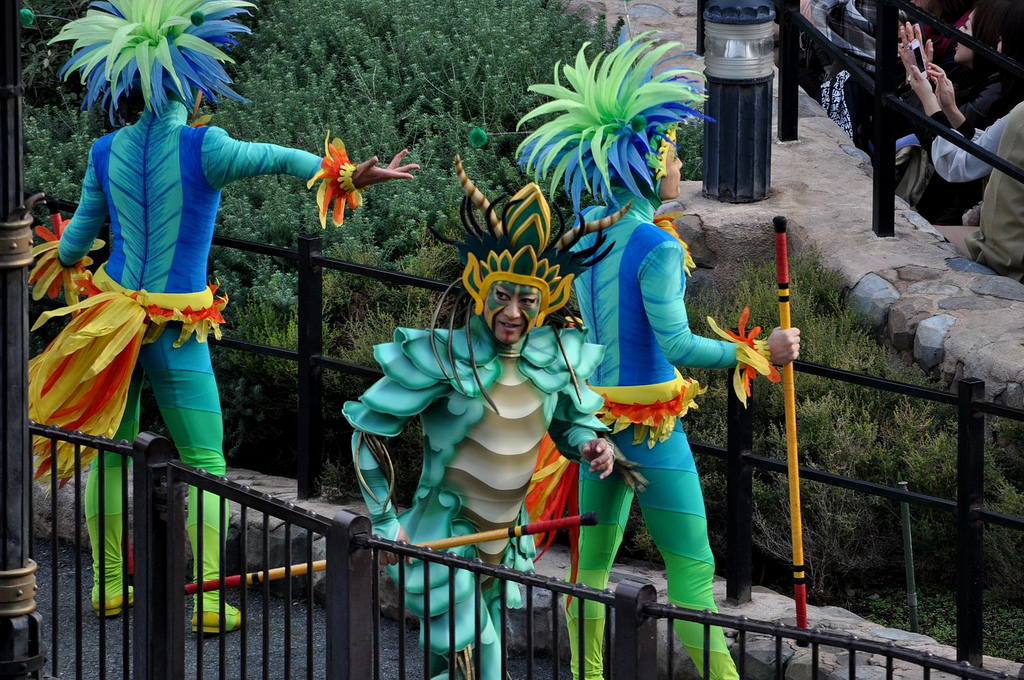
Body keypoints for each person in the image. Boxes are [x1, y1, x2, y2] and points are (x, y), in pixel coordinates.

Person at [28, 0, 417, 633]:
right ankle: (207, 599)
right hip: (177, 326)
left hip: (110, 323)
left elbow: (74, 248)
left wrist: (57, 251)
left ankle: (105, 586)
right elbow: (286, 159)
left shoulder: (105, 151)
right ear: (193, 80)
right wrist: (349, 176)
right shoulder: (205, 147)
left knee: (107, 452)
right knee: (205, 462)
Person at [517, 34, 801, 680]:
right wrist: (760, 352)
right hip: (649, 427)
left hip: (599, 423)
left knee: (589, 572)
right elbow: (675, 344)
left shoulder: (586, 227)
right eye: (670, 151)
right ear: (645, 164)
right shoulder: (657, 245)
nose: (678, 163)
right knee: (693, 578)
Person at [343, 158, 619, 680]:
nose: (513, 312)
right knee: (486, 663)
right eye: (503, 295)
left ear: (546, 301)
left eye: (527, 299)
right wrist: (383, 522)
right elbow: (367, 432)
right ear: (480, 286)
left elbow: (568, 426)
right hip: (441, 540)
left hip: (503, 546)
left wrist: (591, 443)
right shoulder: (444, 357)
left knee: (454, 665)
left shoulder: (552, 358)